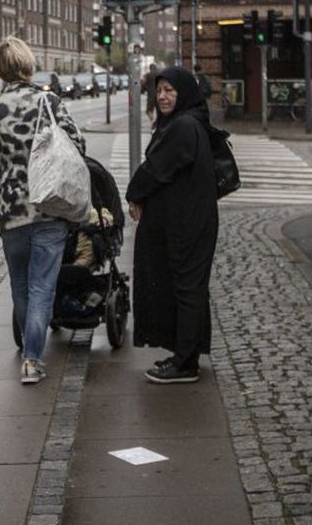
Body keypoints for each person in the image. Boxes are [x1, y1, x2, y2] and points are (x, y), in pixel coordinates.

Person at [0, 37, 86, 385]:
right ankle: (32, 359)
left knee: (21, 287)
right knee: (43, 287)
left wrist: (10, 179)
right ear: (28, 64)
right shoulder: (49, 102)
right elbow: (77, 145)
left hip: (12, 211)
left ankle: (30, 350)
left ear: (1, 68)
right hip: (49, 206)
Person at [126, 65, 219, 384]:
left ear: (184, 94)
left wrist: (134, 193)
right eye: (159, 90)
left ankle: (184, 364)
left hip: (189, 225)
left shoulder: (183, 127)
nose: (163, 96)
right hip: (187, 221)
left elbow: (156, 168)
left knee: (187, 290)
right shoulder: (183, 122)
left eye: (170, 90)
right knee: (187, 288)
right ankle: (185, 355)